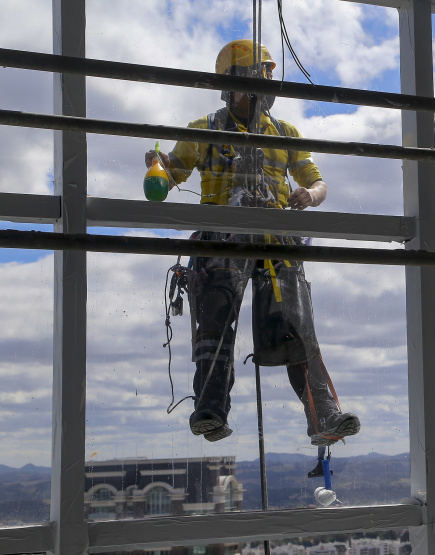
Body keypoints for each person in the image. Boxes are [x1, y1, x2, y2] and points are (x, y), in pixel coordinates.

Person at [145, 39, 360, 447]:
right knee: (216, 325)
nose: (262, 92)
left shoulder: (284, 133)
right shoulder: (203, 131)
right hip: (222, 240)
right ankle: (210, 411)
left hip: (275, 242)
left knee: (297, 327)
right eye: (252, 83)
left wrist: (310, 195)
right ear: (231, 87)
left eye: (264, 84)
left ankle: (323, 414)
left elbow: (316, 180)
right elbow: (169, 179)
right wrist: (158, 166)